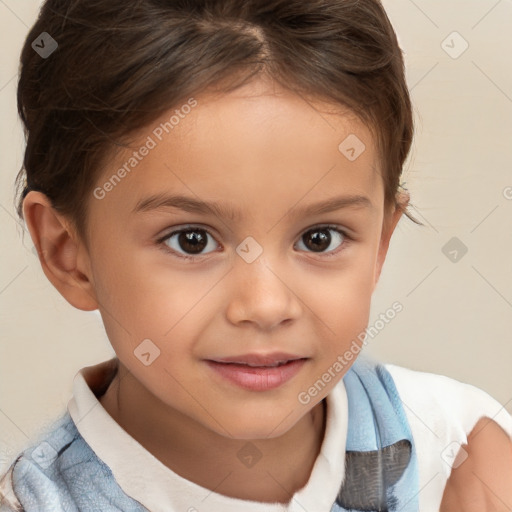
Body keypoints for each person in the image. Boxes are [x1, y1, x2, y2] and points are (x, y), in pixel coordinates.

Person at [1, 0, 511, 510]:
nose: (266, 305)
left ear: (380, 243)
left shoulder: (459, 454)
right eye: (192, 240)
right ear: (68, 253)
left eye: (320, 238)